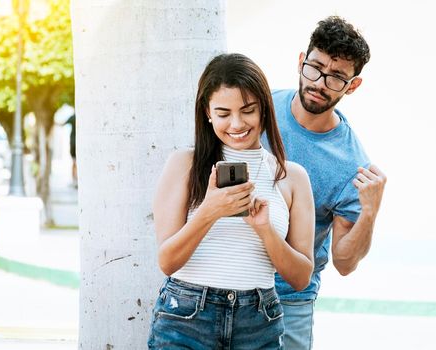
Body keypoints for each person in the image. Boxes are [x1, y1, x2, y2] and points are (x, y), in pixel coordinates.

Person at [148, 53, 315, 349]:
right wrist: (209, 212)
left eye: (247, 110)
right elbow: (168, 262)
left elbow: (301, 277)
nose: (236, 124)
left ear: (264, 107)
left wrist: (264, 229)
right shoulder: (184, 164)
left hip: (258, 321)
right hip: (187, 318)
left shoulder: (292, 177)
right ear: (207, 112)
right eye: (223, 113)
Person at [263, 16, 387, 349]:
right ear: (301, 61)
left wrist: (370, 212)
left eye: (336, 78)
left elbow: (345, 263)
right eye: (315, 68)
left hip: (289, 300)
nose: (319, 83)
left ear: (353, 85)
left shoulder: (351, 164)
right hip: (230, 283)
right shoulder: (258, 109)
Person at [64, 114, 77, 188]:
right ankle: (75, 180)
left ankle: (74, 180)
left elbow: (64, 123)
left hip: (73, 142)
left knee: (74, 162)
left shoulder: (73, 116)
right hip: (75, 142)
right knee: (75, 162)